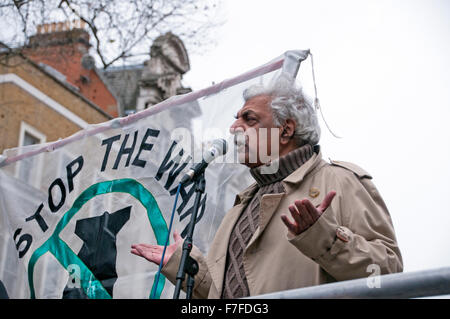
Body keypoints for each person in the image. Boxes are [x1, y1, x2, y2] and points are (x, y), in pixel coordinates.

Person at [131, 76, 403, 299]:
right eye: (237, 118)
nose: (234, 127)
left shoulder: (340, 181)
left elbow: (386, 276)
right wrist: (188, 268)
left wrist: (325, 239)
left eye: (249, 119)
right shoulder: (240, 206)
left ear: (285, 131)